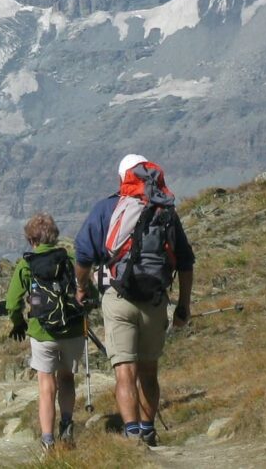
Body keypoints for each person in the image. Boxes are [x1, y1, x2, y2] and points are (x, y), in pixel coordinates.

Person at [73, 154, 195, 446]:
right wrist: (183, 306)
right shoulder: (165, 212)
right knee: (149, 371)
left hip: (119, 297)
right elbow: (186, 263)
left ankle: (131, 435)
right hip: (155, 300)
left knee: (125, 372)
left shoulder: (106, 209)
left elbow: (83, 255)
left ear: (122, 178)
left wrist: (81, 287)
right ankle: (148, 429)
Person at [5, 212, 83, 452]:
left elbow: (12, 302)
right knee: (67, 378)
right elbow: (86, 287)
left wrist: (18, 322)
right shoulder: (70, 257)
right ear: (55, 236)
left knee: (46, 385)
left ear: (31, 240)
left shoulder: (26, 265)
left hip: (42, 333)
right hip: (72, 329)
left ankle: (48, 439)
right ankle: (67, 425)